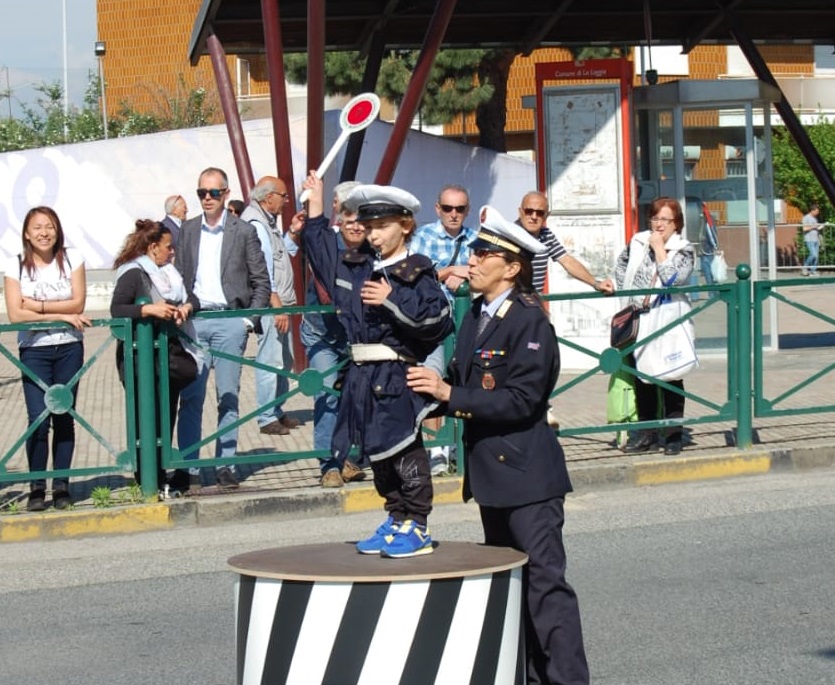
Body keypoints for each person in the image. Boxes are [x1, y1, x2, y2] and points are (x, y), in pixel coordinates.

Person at [406, 205, 589, 685]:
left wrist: (451, 395)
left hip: (527, 477)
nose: (473, 259)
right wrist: (435, 399)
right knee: (514, 589)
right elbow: (468, 380)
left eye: (485, 253)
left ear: (512, 268)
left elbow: (522, 400)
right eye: (474, 250)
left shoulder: (529, 321)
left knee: (545, 590)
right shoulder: (477, 314)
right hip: (493, 477)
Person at [301, 172, 454, 557]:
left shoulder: (417, 270)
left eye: (382, 226)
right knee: (378, 454)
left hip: (397, 374)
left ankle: (416, 524)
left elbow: (436, 324)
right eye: (369, 227)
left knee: (403, 450)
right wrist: (316, 204)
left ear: (405, 226)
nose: (373, 235)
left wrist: (391, 301)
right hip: (362, 376)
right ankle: (395, 517)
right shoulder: (360, 266)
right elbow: (320, 250)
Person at [175, 167, 271, 489]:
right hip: (195, 321)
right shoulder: (187, 230)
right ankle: (188, 468)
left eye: (213, 193)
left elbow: (261, 282)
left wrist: (247, 321)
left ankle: (225, 465)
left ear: (225, 194)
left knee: (228, 397)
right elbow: (178, 278)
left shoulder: (242, 231)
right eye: (201, 192)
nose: (206, 199)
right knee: (191, 397)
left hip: (230, 320)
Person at [3, 207, 91, 511]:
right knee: (37, 419)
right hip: (33, 349)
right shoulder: (14, 264)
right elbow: (15, 313)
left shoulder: (72, 258)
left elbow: (79, 301)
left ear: (58, 230)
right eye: (37, 227)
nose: (44, 232)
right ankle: (37, 487)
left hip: (69, 347)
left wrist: (35, 305)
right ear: (27, 233)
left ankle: (62, 486)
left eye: (49, 226)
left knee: (64, 416)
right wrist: (58, 313)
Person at [110, 220, 201, 495]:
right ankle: (145, 479)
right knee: (144, 418)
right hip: (140, 357)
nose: (172, 252)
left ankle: (160, 472)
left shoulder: (169, 273)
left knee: (165, 414)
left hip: (168, 353)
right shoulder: (133, 274)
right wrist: (148, 310)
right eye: (168, 247)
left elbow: (193, 297)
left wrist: (186, 306)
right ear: (152, 248)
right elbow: (117, 309)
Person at [299, 180, 367, 488]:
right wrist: (316, 195)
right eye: (348, 214)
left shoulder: (373, 249)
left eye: (361, 215)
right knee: (327, 390)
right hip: (322, 333)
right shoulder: (327, 242)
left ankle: (352, 458)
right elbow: (312, 231)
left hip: (356, 337)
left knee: (357, 396)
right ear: (337, 213)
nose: (355, 222)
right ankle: (329, 464)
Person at [615, 197, 695, 456]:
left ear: (676, 224)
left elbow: (674, 278)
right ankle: (647, 433)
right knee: (644, 376)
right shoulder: (638, 241)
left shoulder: (684, 249)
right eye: (655, 218)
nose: (659, 224)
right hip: (641, 317)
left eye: (666, 219)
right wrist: (620, 292)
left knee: (671, 375)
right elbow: (621, 268)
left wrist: (660, 249)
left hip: (669, 319)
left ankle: (673, 434)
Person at [411, 184, 477, 475]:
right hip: (432, 324)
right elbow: (414, 278)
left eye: (460, 209)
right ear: (437, 209)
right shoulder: (422, 237)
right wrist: (449, 271)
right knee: (432, 379)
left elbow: (487, 277)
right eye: (448, 208)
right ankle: (436, 450)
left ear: (467, 211)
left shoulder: (476, 239)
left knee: (464, 382)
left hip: (468, 322)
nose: (453, 214)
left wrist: (468, 279)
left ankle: (460, 448)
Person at [240, 176, 301, 437]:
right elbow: (263, 269)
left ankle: (276, 410)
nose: (287, 202)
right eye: (284, 196)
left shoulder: (267, 221)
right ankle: (266, 417)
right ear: (269, 197)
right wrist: (276, 306)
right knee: (271, 360)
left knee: (283, 360)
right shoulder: (256, 223)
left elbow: (280, 253)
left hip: (279, 302)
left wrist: (293, 233)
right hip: (271, 304)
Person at [516, 190, 614, 295]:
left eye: (540, 213)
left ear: (546, 216)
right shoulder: (510, 235)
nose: (534, 217)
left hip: (532, 303)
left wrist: (596, 284)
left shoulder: (546, 235)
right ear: (520, 212)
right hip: (512, 303)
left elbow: (567, 261)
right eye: (529, 211)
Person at [801, 203, 821, 277]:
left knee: (816, 257)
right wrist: (813, 226)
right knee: (813, 254)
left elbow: (815, 228)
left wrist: (819, 227)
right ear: (812, 210)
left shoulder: (815, 218)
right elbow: (804, 228)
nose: (817, 213)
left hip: (816, 239)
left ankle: (813, 271)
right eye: (816, 211)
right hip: (809, 240)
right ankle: (805, 268)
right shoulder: (806, 218)